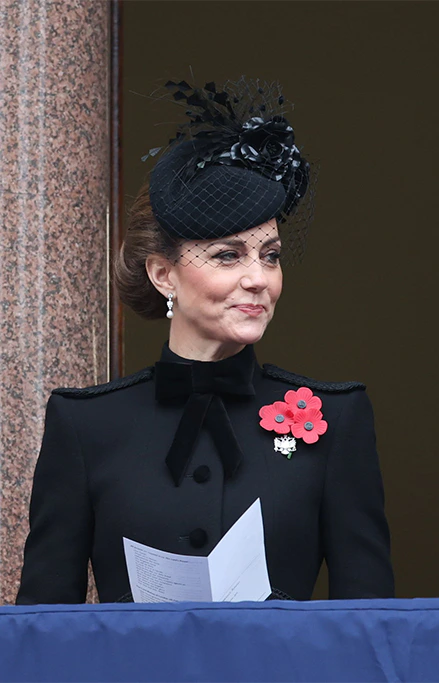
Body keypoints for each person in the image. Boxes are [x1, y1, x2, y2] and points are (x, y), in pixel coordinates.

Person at [17, 78, 394, 604]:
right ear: (163, 274)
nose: (259, 278)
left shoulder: (337, 418)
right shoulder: (86, 426)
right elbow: (43, 629)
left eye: (270, 255)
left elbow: (371, 622)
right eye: (227, 255)